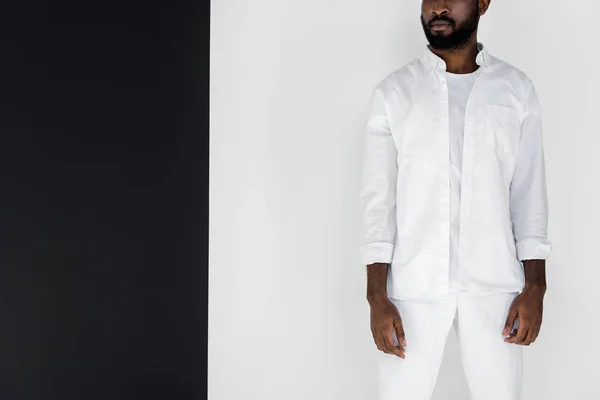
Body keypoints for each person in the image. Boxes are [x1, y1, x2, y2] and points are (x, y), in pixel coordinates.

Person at [359, 0, 551, 399]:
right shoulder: (394, 93)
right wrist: (376, 295)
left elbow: (528, 192)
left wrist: (536, 287)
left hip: (497, 287)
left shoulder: (515, 90)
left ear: (482, 3)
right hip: (412, 287)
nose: (439, 8)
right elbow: (378, 203)